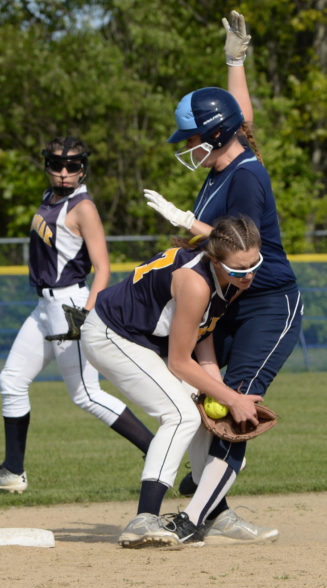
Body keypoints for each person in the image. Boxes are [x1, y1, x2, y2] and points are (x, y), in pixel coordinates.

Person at [144, 11, 303, 544]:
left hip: (268, 302)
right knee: (205, 396)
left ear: (215, 136)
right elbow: (243, 119)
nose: (187, 145)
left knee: (236, 404)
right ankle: (216, 504)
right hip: (232, 301)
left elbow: (241, 248)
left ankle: (193, 522)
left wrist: (190, 228)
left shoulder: (248, 178)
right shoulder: (227, 163)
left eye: (193, 137)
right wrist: (234, 61)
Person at [81, 214, 265, 547]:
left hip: (142, 341)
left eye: (255, 264)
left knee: (200, 416)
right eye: (239, 270)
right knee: (181, 414)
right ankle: (143, 519)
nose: (249, 275)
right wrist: (231, 398)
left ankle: (214, 515)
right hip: (111, 335)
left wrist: (221, 393)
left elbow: (202, 335)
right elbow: (180, 362)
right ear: (216, 259)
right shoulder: (195, 281)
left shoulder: (228, 280)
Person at [0, 135, 154, 494]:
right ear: (47, 166)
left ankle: (157, 449)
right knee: (10, 382)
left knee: (86, 394)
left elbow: (103, 268)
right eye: (56, 165)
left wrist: (86, 315)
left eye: (72, 166)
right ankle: (12, 471)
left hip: (71, 304)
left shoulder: (82, 207)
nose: (64, 172)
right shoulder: (49, 198)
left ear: (83, 168)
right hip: (44, 307)